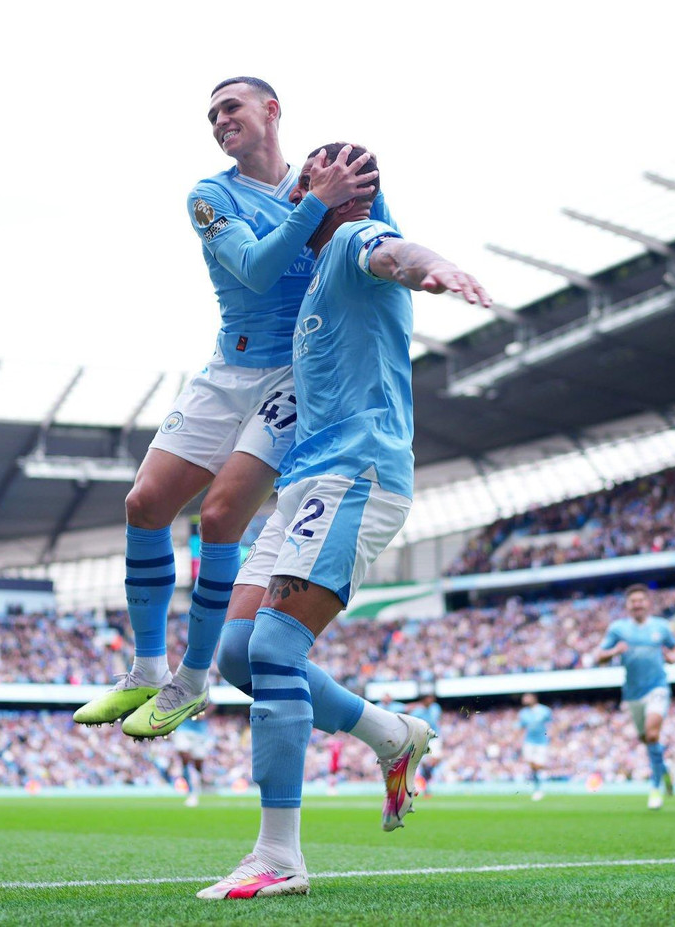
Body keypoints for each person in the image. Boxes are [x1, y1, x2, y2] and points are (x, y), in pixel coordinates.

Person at [196, 142, 491, 900]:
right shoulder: (318, 275)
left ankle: (279, 856)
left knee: (273, 644)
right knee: (236, 652)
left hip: (354, 473)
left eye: (309, 182)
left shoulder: (356, 239)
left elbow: (393, 252)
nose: (298, 189)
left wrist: (435, 269)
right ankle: (388, 732)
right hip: (304, 485)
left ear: (339, 191)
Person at [74, 77, 384, 735]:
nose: (219, 122)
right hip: (227, 368)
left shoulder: (321, 178)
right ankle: (147, 669)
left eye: (230, 108)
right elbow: (254, 267)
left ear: (272, 110)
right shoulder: (211, 195)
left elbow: (371, 239)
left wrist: (354, 212)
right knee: (144, 503)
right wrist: (315, 205)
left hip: (295, 375)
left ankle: (191, 679)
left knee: (220, 516)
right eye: (211, 115)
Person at [588, 584, 675, 810]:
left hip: (658, 687)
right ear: (628, 605)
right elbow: (598, 656)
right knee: (647, 740)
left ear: (648, 603)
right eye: (633, 601)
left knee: (652, 734)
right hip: (632, 694)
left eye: (641, 600)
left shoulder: (661, 627)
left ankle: (655, 788)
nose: (637, 604)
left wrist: (672, 657)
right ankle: (664, 771)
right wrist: (614, 652)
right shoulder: (618, 629)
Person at [173, 709, 213, 807]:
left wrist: (202, 712)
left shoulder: (204, 695)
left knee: (198, 765)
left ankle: (197, 786)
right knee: (184, 755)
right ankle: (191, 790)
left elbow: (210, 707)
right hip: (182, 729)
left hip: (199, 733)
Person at [517, 693, 552, 801]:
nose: (524, 699)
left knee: (537, 766)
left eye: (527, 697)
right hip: (529, 742)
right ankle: (544, 776)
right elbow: (520, 727)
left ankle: (539, 788)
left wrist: (553, 737)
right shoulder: (523, 713)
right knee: (532, 764)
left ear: (534, 698)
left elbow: (553, 724)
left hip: (542, 742)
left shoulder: (544, 710)